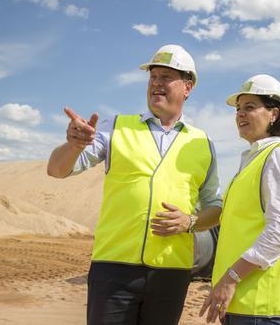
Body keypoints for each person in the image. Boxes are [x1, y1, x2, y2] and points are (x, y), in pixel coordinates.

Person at [47, 44, 222, 325]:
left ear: (187, 88)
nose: (157, 83)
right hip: (114, 270)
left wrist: (189, 221)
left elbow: (215, 207)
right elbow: (56, 170)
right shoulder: (115, 127)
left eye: (167, 77)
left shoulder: (204, 144)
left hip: (172, 272)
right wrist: (73, 146)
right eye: (153, 77)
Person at [199, 75, 280, 325]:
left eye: (249, 107)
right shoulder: (253, 160)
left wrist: (230, 278)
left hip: (258, 306)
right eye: (238, 109)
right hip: (241, 303)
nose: (240, 115)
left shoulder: (277, 157)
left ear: (273, 114)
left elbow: (277, 233)